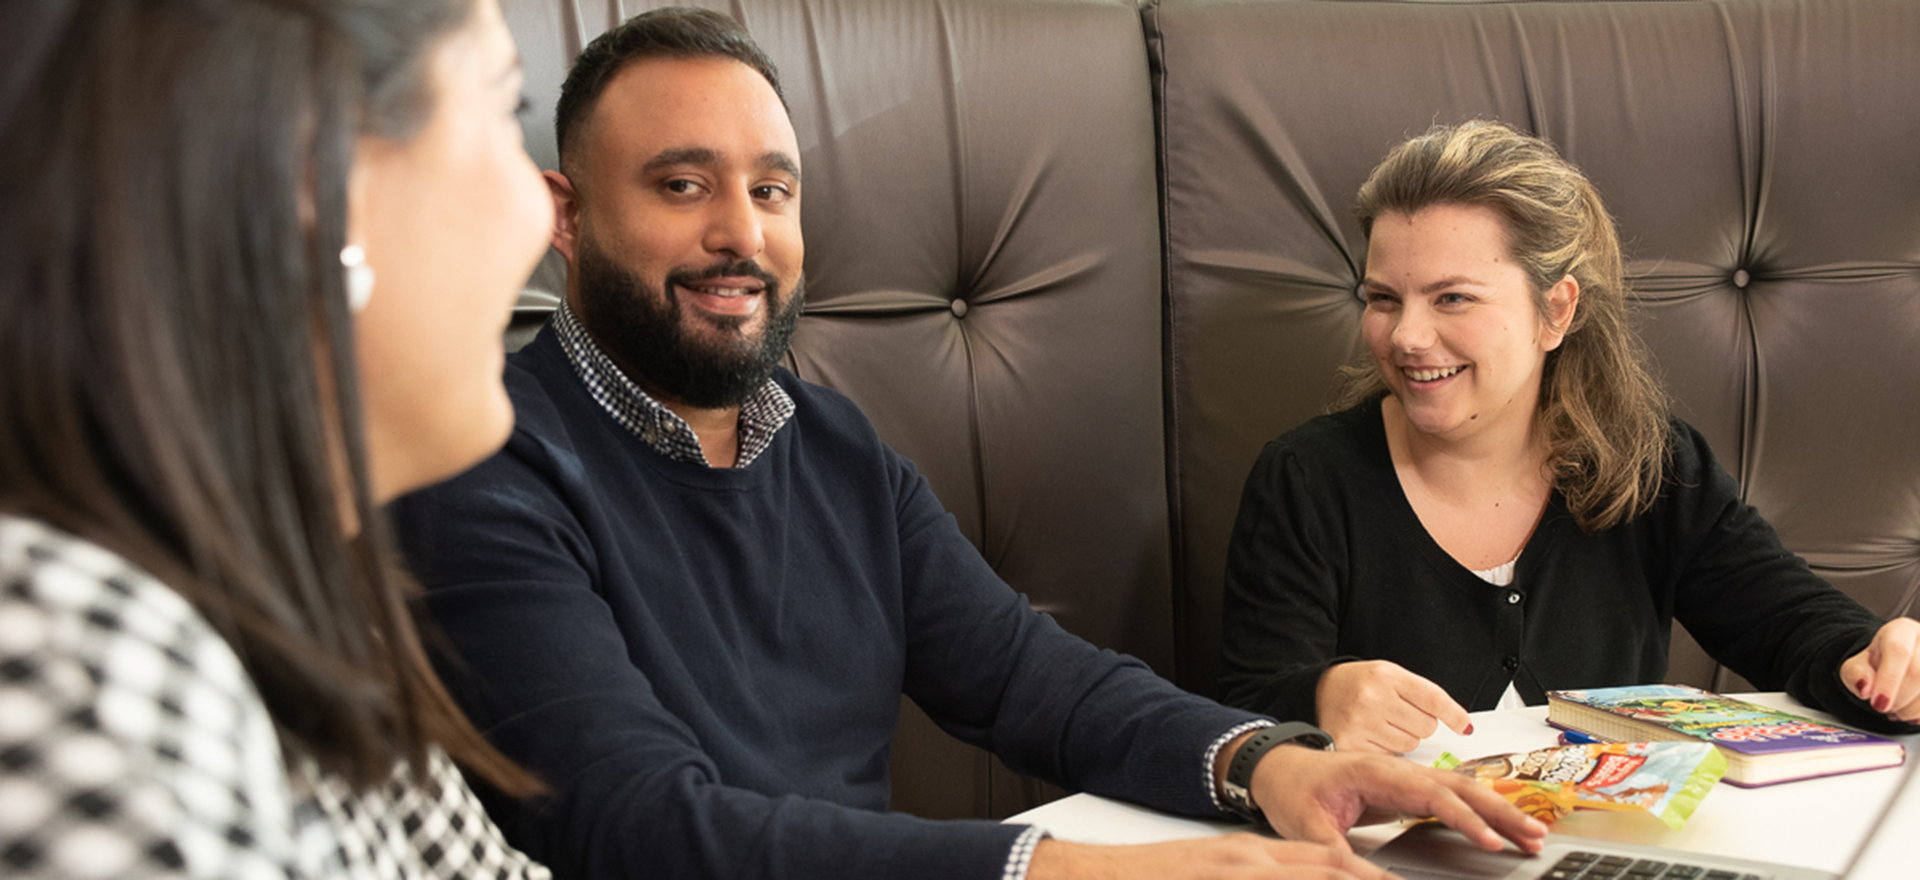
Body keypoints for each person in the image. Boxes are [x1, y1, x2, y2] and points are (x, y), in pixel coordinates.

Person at [389, 9, 1546, 880]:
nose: (740, 232)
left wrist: (1270, 762)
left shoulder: (830, 441)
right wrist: (1071, 870)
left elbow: (1029, 678)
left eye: (773, 189)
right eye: (682, 185)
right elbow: (634, 822)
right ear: (568, 215)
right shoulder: (482, 461)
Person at [0, 0, 554, 875]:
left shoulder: (299, 607)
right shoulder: (75, 664)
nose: (541, 213)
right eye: (506, 108)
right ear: (318, 168)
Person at [1217, 120, 1920, 755]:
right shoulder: (1306, 479)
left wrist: (1881, 665)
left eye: (1452, 297)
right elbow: (1243, 711)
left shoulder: (1655, 468)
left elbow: (1794, 629)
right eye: (1382, 299)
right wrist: (1315, 698)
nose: (1406, 337)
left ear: (1555, 312)